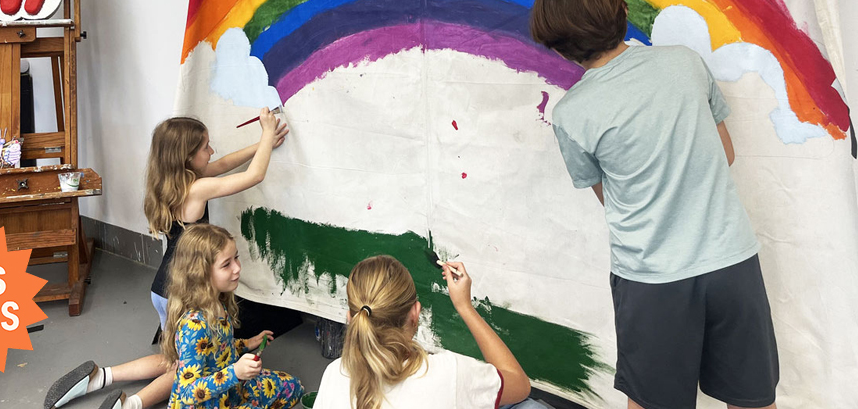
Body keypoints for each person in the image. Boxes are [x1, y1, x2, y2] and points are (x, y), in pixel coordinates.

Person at [530, 0, 778, 409]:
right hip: (732, 262)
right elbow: (726, 153)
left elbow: (611, 197)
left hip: (651, 279)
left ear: (558, 48)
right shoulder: (684, 62)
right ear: (622, 12)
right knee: (753, 400)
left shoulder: (571, 114)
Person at [44, 110, 289, 409]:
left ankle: (100, 377)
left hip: (163, 287)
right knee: (182, 369)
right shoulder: (197, 189)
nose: (212, 152)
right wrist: (266, 132)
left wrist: (263, 144)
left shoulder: (170, 184)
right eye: (205, 147)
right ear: (187, 157)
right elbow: (254, 175)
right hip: (184, 290)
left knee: (174, 357)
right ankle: (131, 405)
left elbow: (222, 164)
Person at [314, 255, 531, 409]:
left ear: (351, 317)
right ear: (415, 313)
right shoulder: (450, 374)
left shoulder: (334, 374)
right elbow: (520, 386)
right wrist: (465, 307)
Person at [162, 223, 304, 408]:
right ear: (201, 274)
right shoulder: (194, 326)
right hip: (208, 402)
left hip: (229, 390)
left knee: (292, 387)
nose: (237, 268)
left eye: (235, 258)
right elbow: (188, 393)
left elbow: (219, 350)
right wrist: (235, 373)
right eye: (226, 264)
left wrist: (247, 344)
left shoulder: (217, 301)